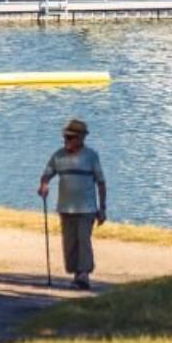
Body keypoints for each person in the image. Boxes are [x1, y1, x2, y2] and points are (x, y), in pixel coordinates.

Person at [38, 117, 106, 289]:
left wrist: (102, 208)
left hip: (87, 207)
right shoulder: (58, 156)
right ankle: (76, 274)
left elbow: (101, 182)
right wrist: (44, 185)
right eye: (65, 137)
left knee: (83, 240)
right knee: (69, 243)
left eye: (70, 137)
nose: (66, 140)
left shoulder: (91, 156)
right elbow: (47, 174)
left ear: (81, 138)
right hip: (66, 207)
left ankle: (83, 275)